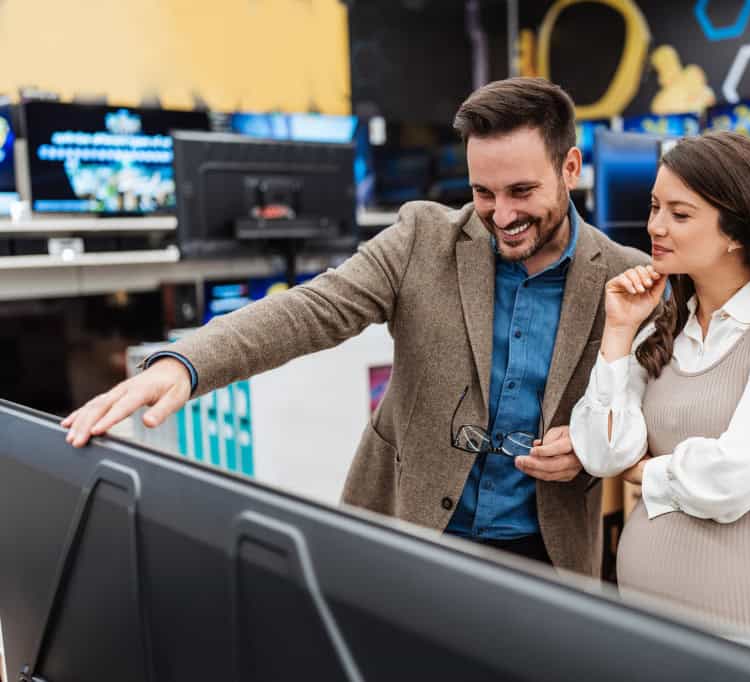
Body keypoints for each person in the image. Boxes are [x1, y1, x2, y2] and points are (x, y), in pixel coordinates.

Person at [62, 77, 648, 575]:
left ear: (570, 167)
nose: (502, 214)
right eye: (483, 193)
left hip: (545, 554)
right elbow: (312, 309)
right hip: (408, 534)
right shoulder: (423, 238)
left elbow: (663, 415)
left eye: (522, 191)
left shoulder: (626, 277)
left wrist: (592, 449)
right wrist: (185, 364)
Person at [568, 131, 750, 680]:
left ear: (736, 231)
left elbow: (734, 478)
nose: (654, 227)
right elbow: (605, 453)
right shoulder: (662, 326)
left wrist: (645, 470)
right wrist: (618, 335)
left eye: (680, 214)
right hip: (659, 638)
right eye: (655, 207)